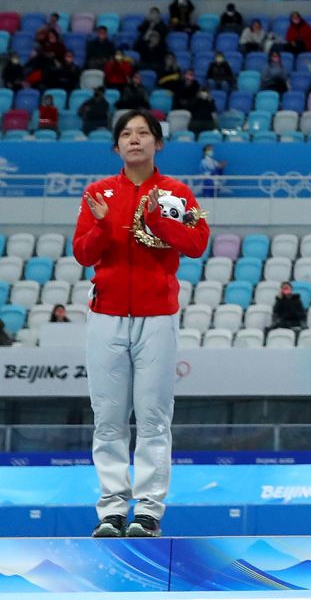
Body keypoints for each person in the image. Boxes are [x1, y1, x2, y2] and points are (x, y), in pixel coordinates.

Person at [72, 109, 210, 539]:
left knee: (153, 419)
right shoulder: (98, 194)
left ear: (158, 143)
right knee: (108, 419)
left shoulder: (174, 192)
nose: (135, 140)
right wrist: (99, 225)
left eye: (144, 133)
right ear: (116, 146)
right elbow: (83, 254)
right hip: (106, 317)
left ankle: (147, 513)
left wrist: (157, 218)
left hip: (157, 318)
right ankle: (112, 511)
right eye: (126, 134)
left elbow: (197, 243)